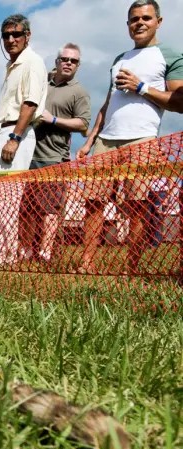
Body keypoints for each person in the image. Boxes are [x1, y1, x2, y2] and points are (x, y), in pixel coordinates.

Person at [76, 0, 183, 274]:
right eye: (134, 19)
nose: (140, 23)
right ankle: (86, 264)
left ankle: (131, 266)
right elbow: (108, 102)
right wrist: (89, 141)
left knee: (137, 205)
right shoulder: (119, 59)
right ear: (127, 26)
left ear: (159, 21)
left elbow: (180, 101)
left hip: (142, 140)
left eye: (146, 18)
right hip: (106, 140)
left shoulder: (169, 55)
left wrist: (142, 87)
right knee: (93, 202)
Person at [0, 14, 47, 267]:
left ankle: (5, 257)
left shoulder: (32, 62)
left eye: (16, 34)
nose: (11, 39)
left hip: (14, 132)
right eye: (6, 35)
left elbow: (30, 104)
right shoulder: (13, 65)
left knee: (7, 199)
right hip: (2, 132)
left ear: (27, 36)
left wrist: (14, 137)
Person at [20, 43, 91, 263]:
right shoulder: (43, 84)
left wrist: (53, 120)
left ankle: (46, 253)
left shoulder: (78, 92)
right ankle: (26, 251)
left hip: (55, 159)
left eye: (74, 61)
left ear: (78, 65)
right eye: (65, 59)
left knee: (50, 209)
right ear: (57, 62)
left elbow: (83, 123)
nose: (69, 63)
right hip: (28, 156)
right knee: (28, 209)